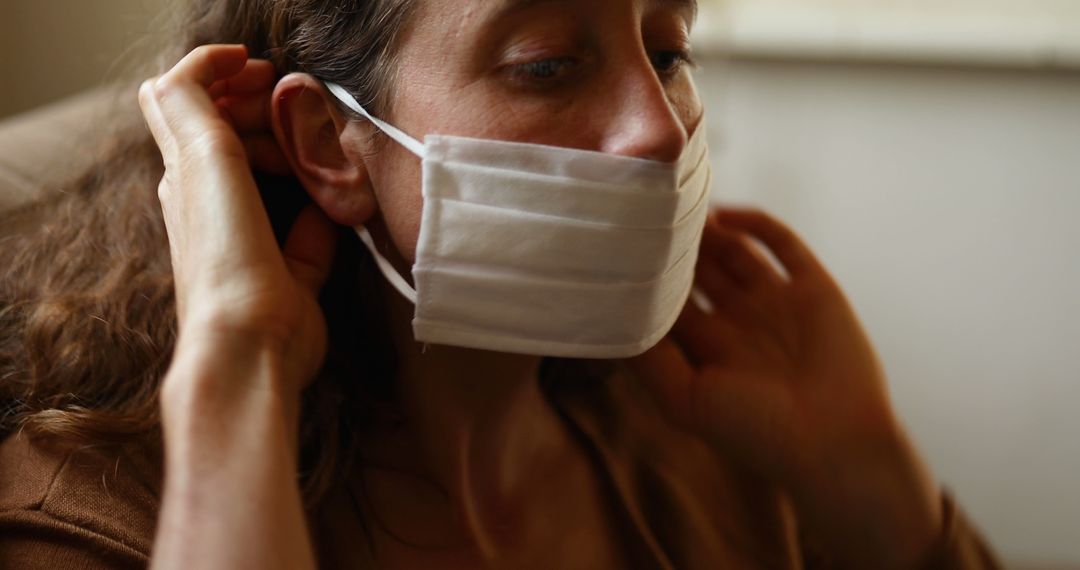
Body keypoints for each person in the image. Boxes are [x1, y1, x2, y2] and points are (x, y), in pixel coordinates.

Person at [0, 0, 1002, 568]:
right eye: (549, 64)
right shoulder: (89, 520)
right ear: (330, 145)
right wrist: (235, 373)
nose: (660, 128)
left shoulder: (709, 427)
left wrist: (878, 486)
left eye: (668, 50)